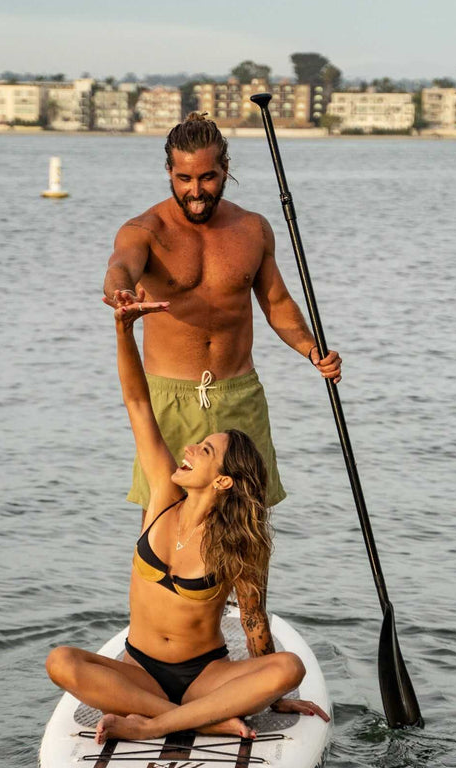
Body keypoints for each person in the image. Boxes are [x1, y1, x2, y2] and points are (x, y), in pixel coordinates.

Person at [45, 293, 330, 743]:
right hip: (138, 668)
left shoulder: (237, 541)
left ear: (223, 482)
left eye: (207, 450)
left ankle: (156, 724)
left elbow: (253, 620)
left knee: (289, 668)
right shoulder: (161, 495)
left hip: (204, 675)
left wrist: (275, 697)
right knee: (60, 660)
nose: (191, 448)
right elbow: (139, 404)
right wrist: (124, 331)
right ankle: (200, 720)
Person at [102, 112, 342, 510]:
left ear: (226, 168)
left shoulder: (253, 229)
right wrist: (121, 295)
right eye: (184, 179)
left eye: (207, 177)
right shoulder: (144, 230)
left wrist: (313, 351)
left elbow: (277, 303)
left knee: (248, 530)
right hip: (171, 400)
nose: (196, 191)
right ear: (169, 171)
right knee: (165, 527)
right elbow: (120, 267)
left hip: (239, 396)